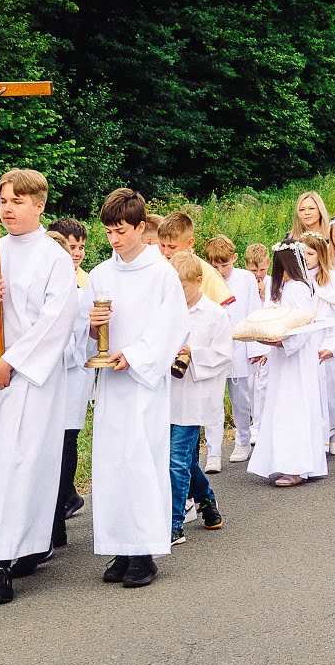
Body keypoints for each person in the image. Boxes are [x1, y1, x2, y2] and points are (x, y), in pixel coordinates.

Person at [0, 168, 79, 606]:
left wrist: (10, 362)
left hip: (30, 376)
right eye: (3, 201)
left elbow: (56, 321)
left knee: (29, 463)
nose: (7, 209)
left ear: (39, 206)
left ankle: (28, 546)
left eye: (16, 201)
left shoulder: (53, 258)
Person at [84, 186, 189, 589]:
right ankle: (120, 546)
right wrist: (93, 327)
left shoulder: (161, 272)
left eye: (121, 231)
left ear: (141, 227)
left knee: (141, 460)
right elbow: (86, 332)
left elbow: (172, 325)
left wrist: (137, 355)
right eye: (109, 231)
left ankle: (144, 550)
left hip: (143, 383)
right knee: (111, 464)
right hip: (112, 383)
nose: (114, 239)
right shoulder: (99, 275)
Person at [246, 241, 329, 487]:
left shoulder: (297, 289)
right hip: (285, 359)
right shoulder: (289, 288)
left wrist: (279, 343)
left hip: (296, 358)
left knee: (294, 408)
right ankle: (289, 461)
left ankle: (297, 466)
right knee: (285, 406)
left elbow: (301, 326)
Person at [166, 250, 230, 547]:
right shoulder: (165, 311)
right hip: (168, 395)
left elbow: (222, 355)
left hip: (196, 397)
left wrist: (193, 353)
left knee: (177, 460)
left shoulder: (215, 314)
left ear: (199, 282)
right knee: (184, 461)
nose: (179, 294)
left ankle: (174, 523)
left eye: (183, 287)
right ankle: (206, 500)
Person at [46, 219, 93, 525]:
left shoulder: (85, 283)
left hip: (73, 372)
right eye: (70, 247)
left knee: (66, 439)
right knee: (52, 443)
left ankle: (62, 505)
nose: (76, 253)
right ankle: (65, 499)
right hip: (50, 373)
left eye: (80, 247)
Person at [301, 232, 335, 457]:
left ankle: (334, 429)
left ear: (321, 254)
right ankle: (313, 433)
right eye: (302, 253)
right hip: (304, 341)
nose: (306, 258)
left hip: (326, 339)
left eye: (310, 253)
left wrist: (333, 344)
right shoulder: (295, 280)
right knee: (308, 390)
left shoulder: (333, 280)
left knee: (329, 386)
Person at [209, 237, 260, 463]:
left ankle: (242, 439)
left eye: (224, 265)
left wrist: (255, 348)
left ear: (234, 258)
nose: (220, 271)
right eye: (215, 266)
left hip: (240, 346)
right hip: (214, 349)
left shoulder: (246, 278)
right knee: (213, 400)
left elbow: (253, 312)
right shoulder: (207, 280)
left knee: (241, 399)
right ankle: (213, 451)